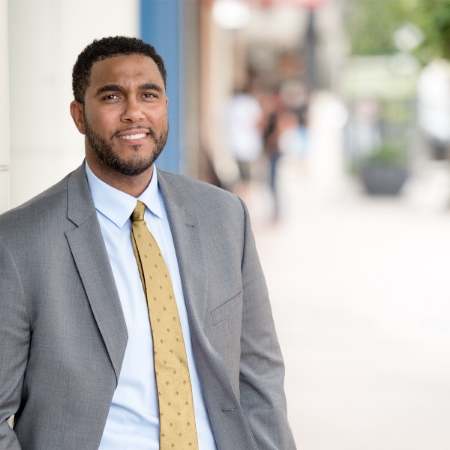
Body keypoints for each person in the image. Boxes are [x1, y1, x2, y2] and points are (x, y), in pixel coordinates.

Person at [0, 37, 295, 450]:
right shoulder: (18, 243)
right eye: (111, 96)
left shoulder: (225, 216)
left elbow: (260, 376)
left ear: (165, 107)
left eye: (148, 94)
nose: (134, 112)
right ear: (78, 115)